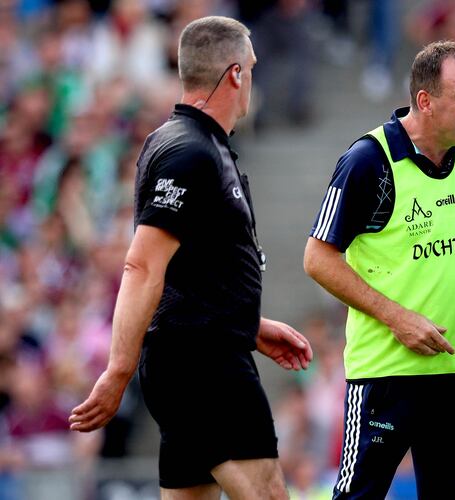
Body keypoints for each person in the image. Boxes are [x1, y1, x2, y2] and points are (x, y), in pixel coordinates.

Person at [68, 16, 313, 500]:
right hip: (204, 366)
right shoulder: (189, 151)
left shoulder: (191, 144)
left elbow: (192, 267)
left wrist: (248, 323)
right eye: (252, 68)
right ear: (236, 75)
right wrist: (119, 370)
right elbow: (142, 265)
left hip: (197, 354)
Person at [303, 41, 455, 499]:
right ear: (425, 101)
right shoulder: (368, 161)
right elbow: (317, 258)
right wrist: (398, 317)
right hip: (387, 377)